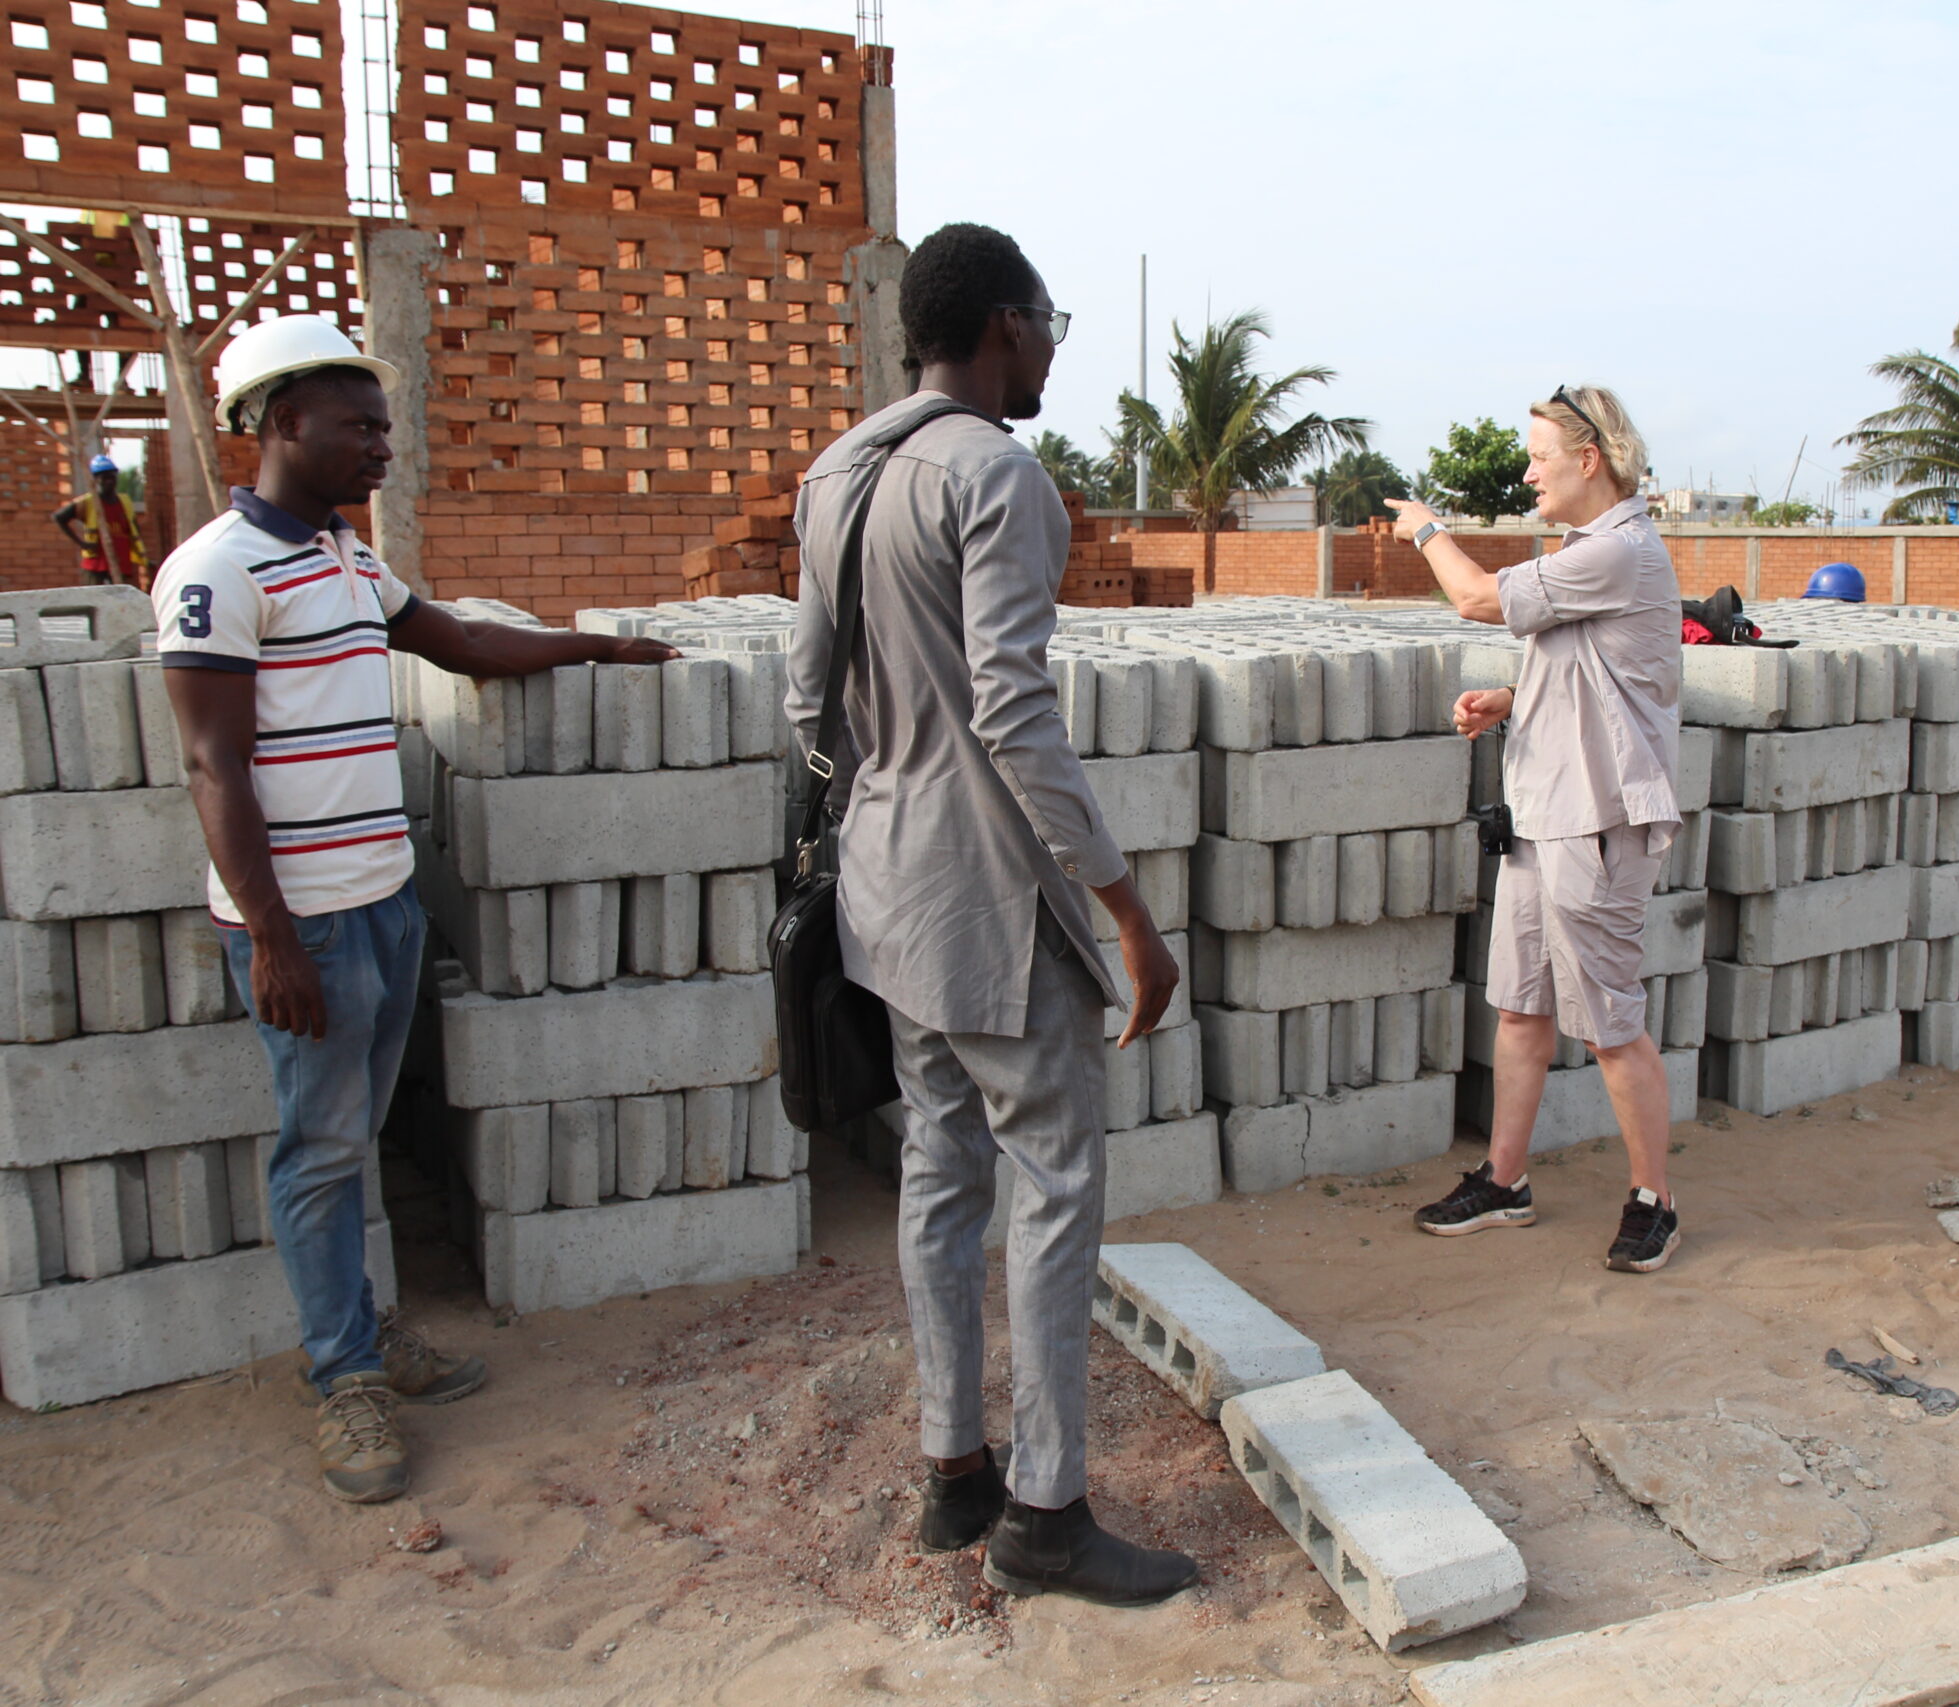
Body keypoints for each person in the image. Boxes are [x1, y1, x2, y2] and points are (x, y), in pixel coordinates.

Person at [155, 316, 679, 1504]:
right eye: (361, 426)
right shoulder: (215, 573)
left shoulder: (346, 559)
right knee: (319, 1151)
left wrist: (597, 648)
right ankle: (343, 1377)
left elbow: (460, 643)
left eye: (384, 427)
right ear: (283, 421)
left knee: (355, 1140)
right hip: (306, 924)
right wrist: (273, 938)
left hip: (384, 902)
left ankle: (361, 1330)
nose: (383, 447)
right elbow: (211, 765)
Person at [784, 222, 1196, 1607]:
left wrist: (895, 777)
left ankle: (952, 1469)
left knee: (939, 1170)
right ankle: (1048, 1512)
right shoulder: (996, 475)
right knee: (1056, 1185)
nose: (1052, 353)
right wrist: (1125, 907)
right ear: (1005, 326)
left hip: (886, 892)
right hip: (992, 902)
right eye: (1049, 326)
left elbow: (807, 699)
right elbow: (1015, 709)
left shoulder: (836, 473)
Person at [1386, 385, 1685, 1273]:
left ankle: (1655, 1201)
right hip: (1540, 814)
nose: (1527, 473)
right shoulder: (1585, 553)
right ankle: (1505, 1179)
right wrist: (1511, 699)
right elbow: (1599, 675)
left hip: (1595, 823)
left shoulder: (1621, 552)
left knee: (1609, 1022)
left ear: (1588, 460)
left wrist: (1427, 529)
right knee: (1520, 1007)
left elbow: (1476, 597)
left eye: (1539, 456)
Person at [54, 453, 151, 586]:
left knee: (122, 594)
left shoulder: (125, 502)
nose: (109, 481)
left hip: (121, 559)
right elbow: (59, 517)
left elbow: (134, 529)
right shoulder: (88, 502)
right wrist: (82, 543)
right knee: (94, 595)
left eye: (112, 477)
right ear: (95, 480)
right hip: (96, 562)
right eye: (104, 478)